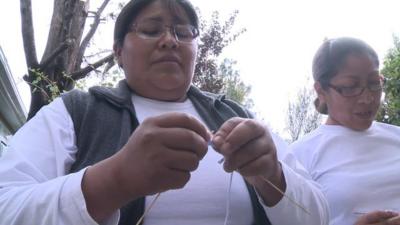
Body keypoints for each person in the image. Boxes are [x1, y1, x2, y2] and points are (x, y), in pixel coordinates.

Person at [0, 0, 329, 224]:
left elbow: (320, 215)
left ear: (195, 50)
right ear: (118, 52)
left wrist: (273, 175)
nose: (170, 41)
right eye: (151, 29)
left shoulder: (237, 116)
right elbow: (6, 205)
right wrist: (114, 181)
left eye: (183, 33)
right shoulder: (76, 112)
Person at [289, 37, 400, 225]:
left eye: (374, 83)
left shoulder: (396, 136)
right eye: (350, 87)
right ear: (321, 91)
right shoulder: (298, 157)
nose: (368, 98)